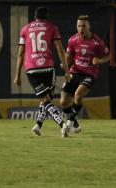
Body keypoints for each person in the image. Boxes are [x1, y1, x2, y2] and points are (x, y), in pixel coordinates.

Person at [14, 7, 71, 137]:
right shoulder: (52, 27)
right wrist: (67, 71)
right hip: (47, 67)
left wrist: (17, 74)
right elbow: (60, 49)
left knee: (46, 99)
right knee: (47, 99)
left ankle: (39, 126)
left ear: (35, 17)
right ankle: (62, 125)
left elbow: (21, 53)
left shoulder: (25, 29)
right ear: (47, 17)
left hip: (32, 69)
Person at [60, 15, 110, 133]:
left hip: (89, 74)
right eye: (79, 26)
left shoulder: (97, 42)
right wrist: (65, 64)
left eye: (83, 26)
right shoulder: (72, 40)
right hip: (75, 72)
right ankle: (75, 125)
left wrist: (99, 61)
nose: (81, 28)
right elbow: (69, 57)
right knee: (63, 102)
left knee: (78, 95)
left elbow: (108, 55)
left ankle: (69, 123)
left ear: (89, 27)